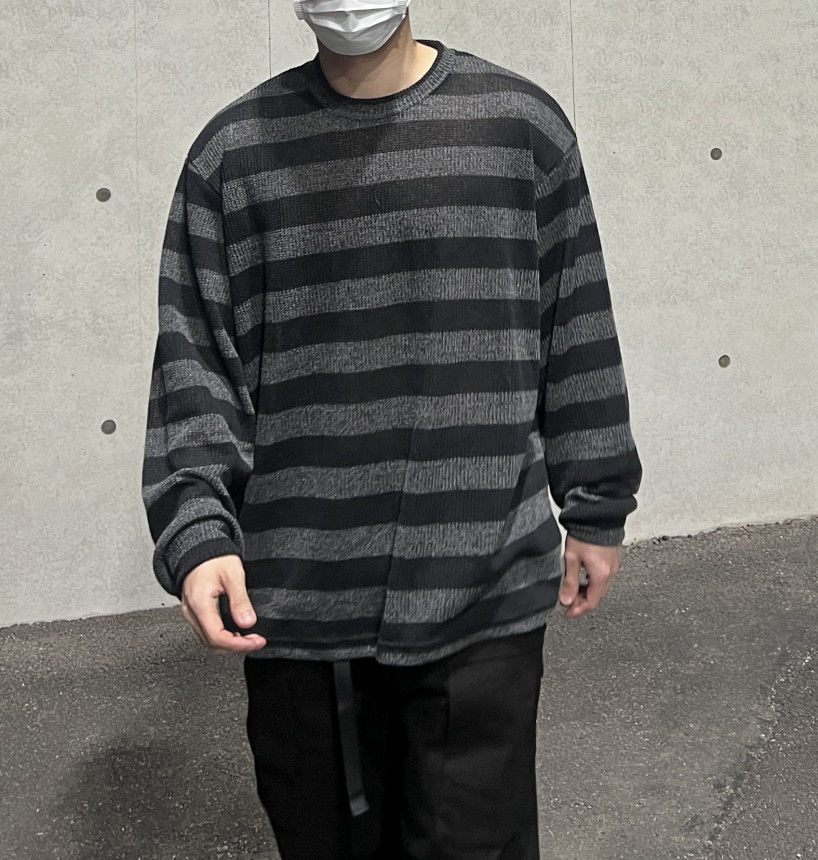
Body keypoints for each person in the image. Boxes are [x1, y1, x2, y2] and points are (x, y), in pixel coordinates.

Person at [141, 2, 642, 857]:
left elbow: (575, 325)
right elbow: (195, 364)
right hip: (300, 608)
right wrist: (197, 532)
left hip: (482, 586)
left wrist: (596, 503)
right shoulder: (232, 156)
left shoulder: (519, 128)